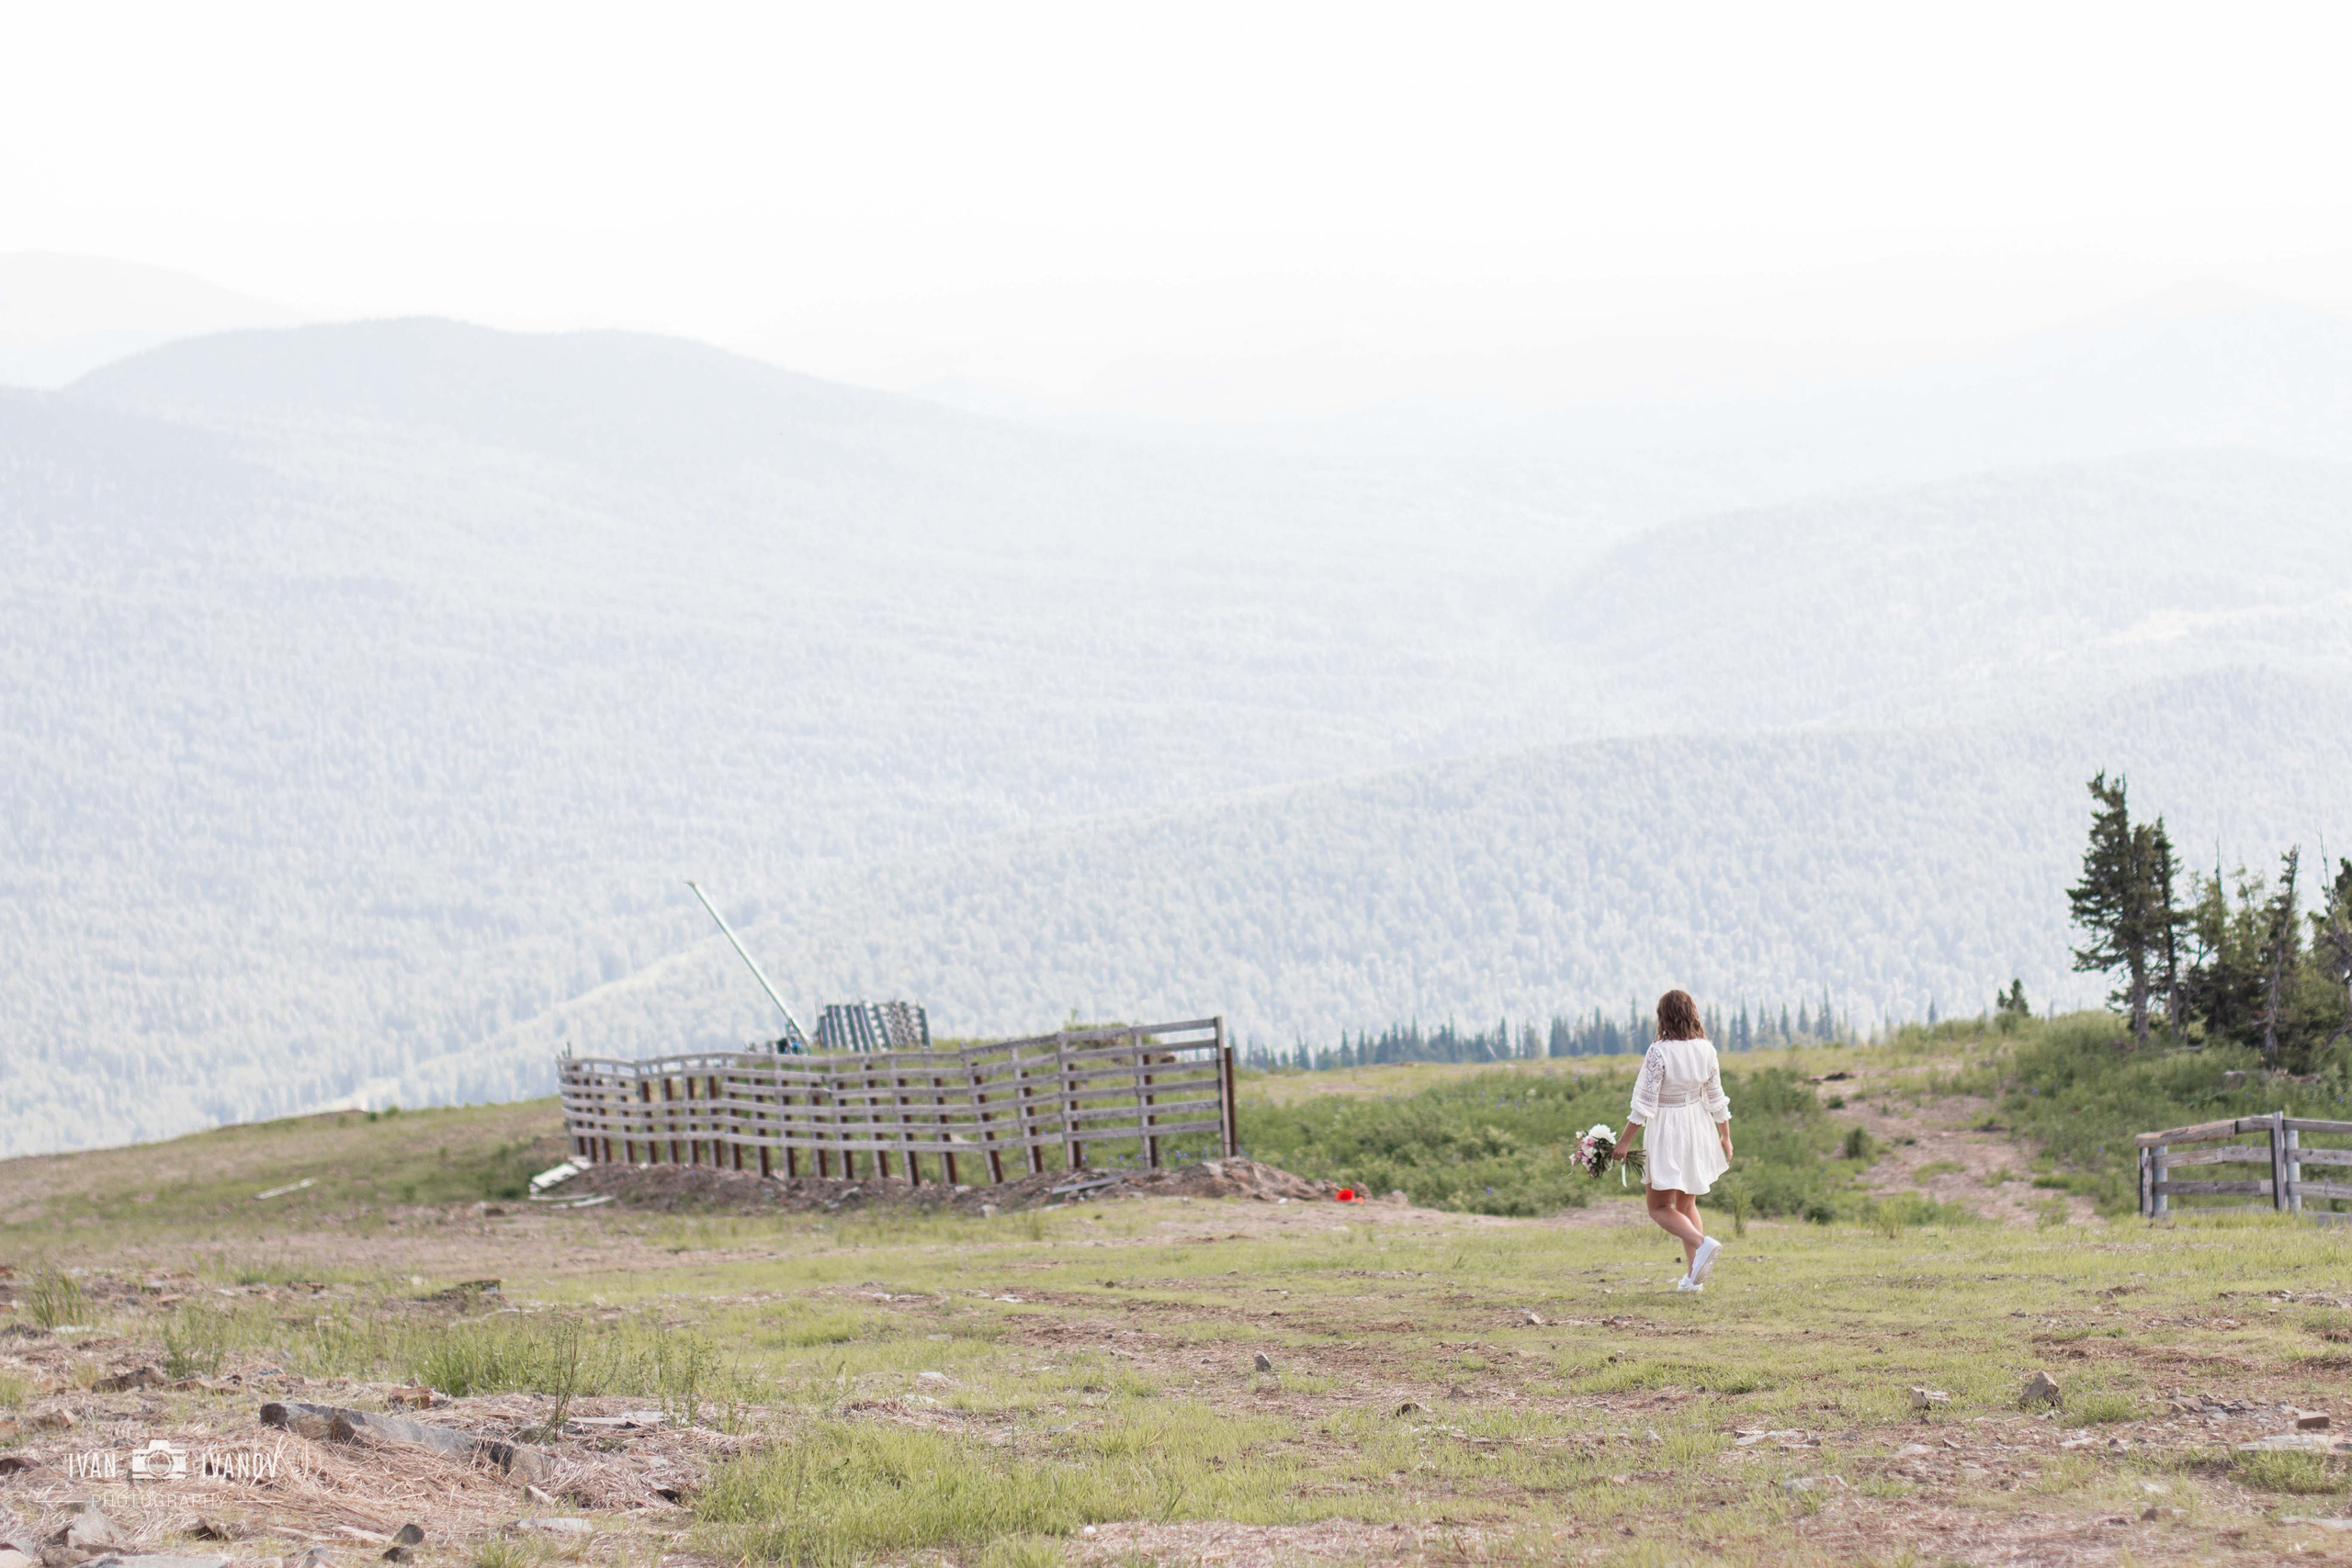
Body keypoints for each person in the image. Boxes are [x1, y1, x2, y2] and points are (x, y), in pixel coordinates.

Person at [1611, 989, 1733, 1292]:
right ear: (1692, 1013)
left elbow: (1643, 1104)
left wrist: (1624, 1142)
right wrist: (1726, 1136)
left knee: (1659, 1206)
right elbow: (1716, 1098)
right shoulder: (1707, 1049)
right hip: (1698, 1125)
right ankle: (1693, 1280)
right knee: (1686, 1202)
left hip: (1669, 1127)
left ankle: (1701, 1244)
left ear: (1663, 1016)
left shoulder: (1659, 1051)